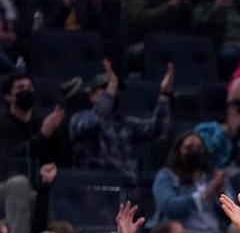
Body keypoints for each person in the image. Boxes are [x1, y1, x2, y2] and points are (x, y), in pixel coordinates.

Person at [0, 73, 68, 233]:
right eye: (20, 89)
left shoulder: (41, 123)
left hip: (38, 187)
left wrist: (56, 133)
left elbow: (63, 158)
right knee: (20, 184)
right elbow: (9, 160)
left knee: (44, 190)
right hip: (3, 187)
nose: (27, 92)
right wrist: (43, 135)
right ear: (8, 96)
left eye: (30, 88)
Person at [69, 60, 172, 191]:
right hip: (95, 191)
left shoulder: (127, 123)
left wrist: (164, 95)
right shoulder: (80, 118)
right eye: (105, 89)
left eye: (116, 89)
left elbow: (157, 129)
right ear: (92, 96)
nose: (113, 93)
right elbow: (92, 123)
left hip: (126, 189)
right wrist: (110, 91)